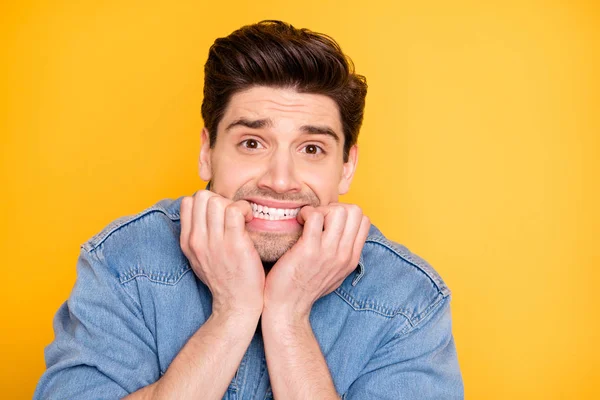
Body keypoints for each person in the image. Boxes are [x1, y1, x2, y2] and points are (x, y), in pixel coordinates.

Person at [34, 20, 463, 399]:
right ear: (208, 152)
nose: (279, 180)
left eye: (312, 148)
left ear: (346, 167)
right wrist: (232, 315)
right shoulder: (124, 262)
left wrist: (288, 318)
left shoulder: (409, 300)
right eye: (252, 143)